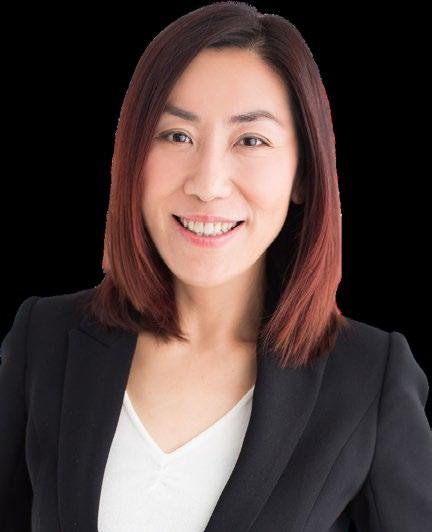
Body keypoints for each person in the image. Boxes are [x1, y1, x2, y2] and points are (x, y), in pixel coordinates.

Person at [1, 2, 431, 531]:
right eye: (177, 135)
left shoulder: (369, 379)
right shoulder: (44, 340)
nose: (207, 183)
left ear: (302, 174)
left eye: (251, 140)